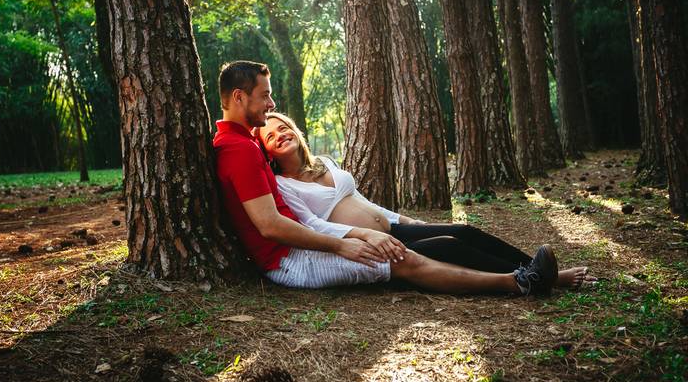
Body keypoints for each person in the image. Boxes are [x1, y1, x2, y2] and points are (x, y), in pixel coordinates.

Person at [213, 60, 558, 296]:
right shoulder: (239, 149)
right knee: (407, 260)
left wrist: (362, 233)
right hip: (290, 261)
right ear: (239, 97)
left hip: (305, 245)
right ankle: (520, 283)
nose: (271, 104)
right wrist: (343, 243)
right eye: (264, 96)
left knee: (446, 240)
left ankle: (530, 275)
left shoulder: (244, 145)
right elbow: (271, 226)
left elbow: (299, 220)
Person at [258, 112, 593, 289]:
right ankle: (543, 277)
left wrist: (405, 220)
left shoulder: (324, 162)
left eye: (282, 128)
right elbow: (313, 225)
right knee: (447, 244)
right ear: (268, 152)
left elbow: (361, 200)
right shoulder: (283, 185)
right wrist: (361, 237)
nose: (279, 135)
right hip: (375, 243)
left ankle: (541, 270)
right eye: (270, 136)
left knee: (464, 232)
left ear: (295, 130)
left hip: (392, 227)